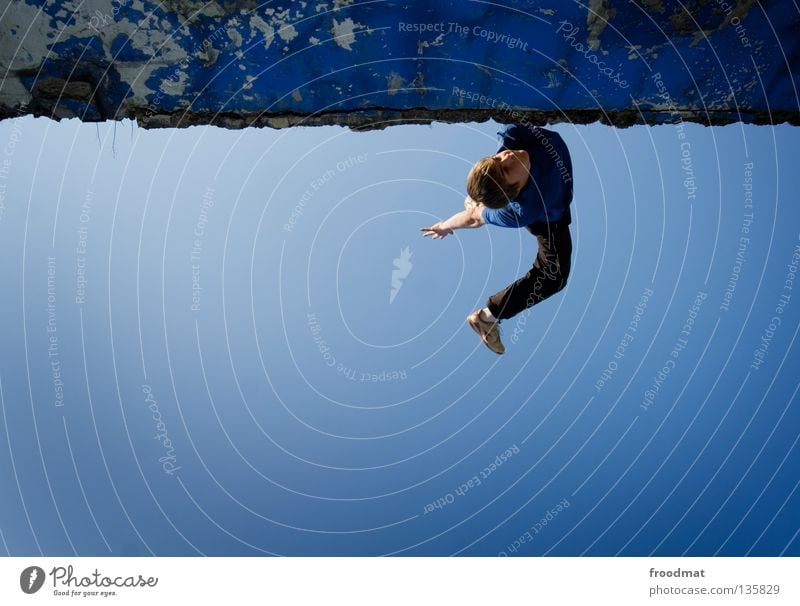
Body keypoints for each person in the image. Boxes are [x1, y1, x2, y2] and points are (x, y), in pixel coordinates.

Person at [420, 123, 574, 355]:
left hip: (553, 196)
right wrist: (444, 226)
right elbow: (473, 219)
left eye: (497, 160)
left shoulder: (514, 137)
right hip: (550, 219)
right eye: (506, 170)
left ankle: (478, 198)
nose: (506, 157)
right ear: (516, 189)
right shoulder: (522, 210)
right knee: (554, 278)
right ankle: (486, 318)